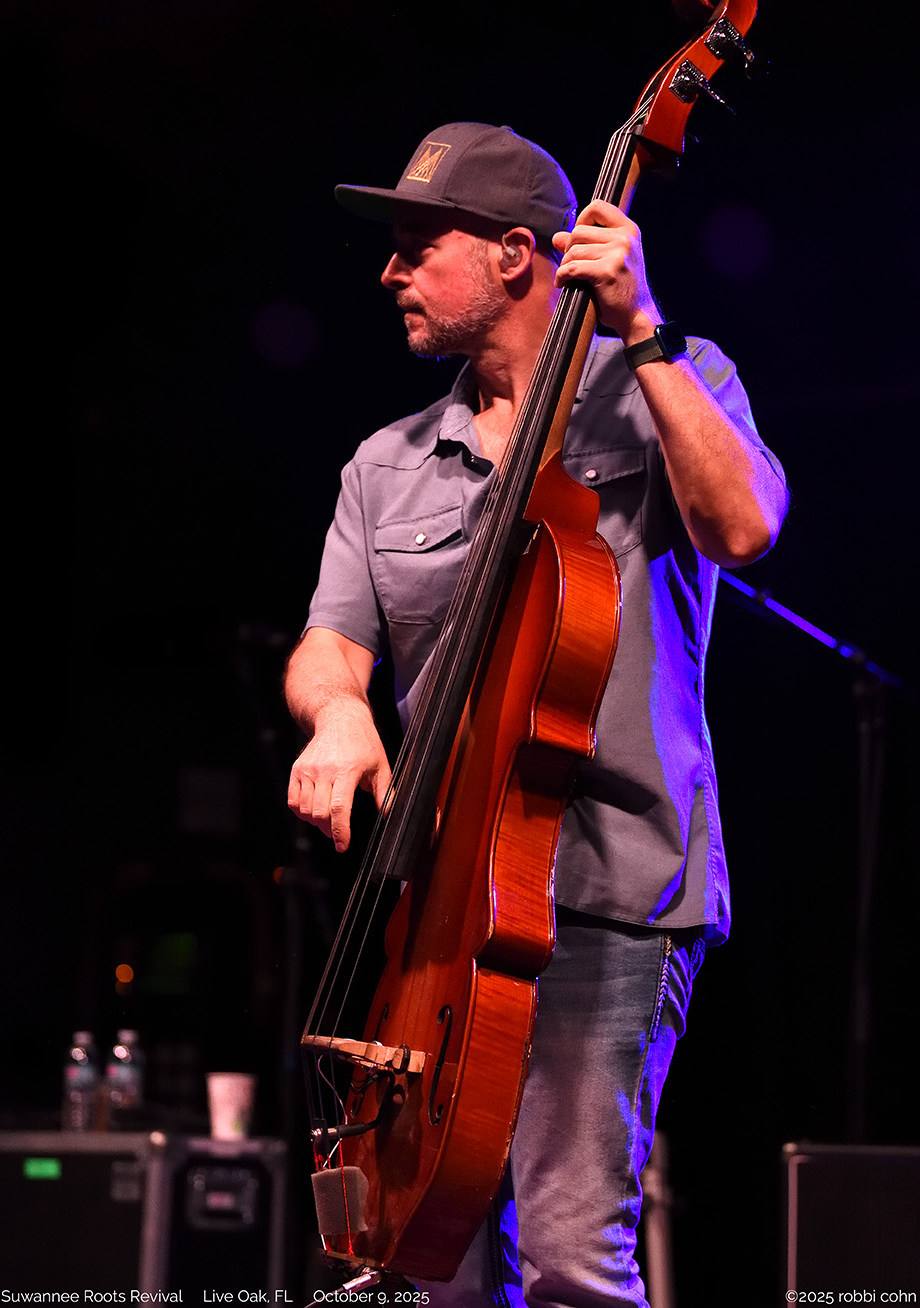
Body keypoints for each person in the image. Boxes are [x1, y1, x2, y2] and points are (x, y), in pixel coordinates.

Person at [284, 122, 787, 1308]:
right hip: (444, 900)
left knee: (569, 1259)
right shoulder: (387, 465)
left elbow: (744, 527)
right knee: (436, 1257)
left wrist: (642, 325)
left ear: (516, 253)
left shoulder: (674, 380)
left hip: (610, 891)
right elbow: (330, 644)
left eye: (419, 245)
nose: (389, 272)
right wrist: (337, 715)